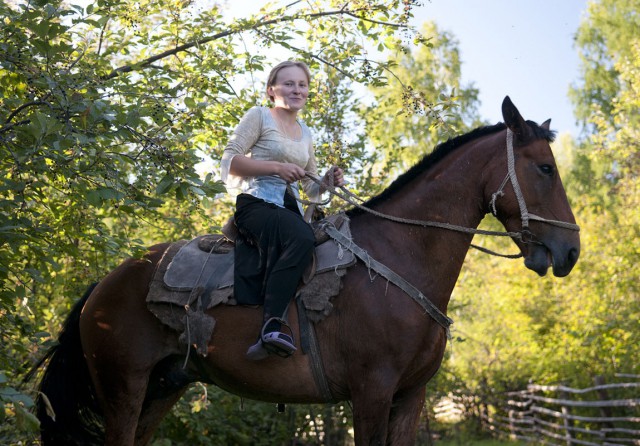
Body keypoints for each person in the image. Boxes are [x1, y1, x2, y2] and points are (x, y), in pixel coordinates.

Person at [221, 61, 345, 361]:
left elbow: (311, 189)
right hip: (256, 204)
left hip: (289, 209)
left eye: (302, 85)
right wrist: (276, 167)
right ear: (271, 90)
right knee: (302, 238)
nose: (297, 90)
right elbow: (230, 161)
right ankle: (271, 325)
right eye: (289, 84)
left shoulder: (306, 133)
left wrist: (327, 181)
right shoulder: (259, 116)